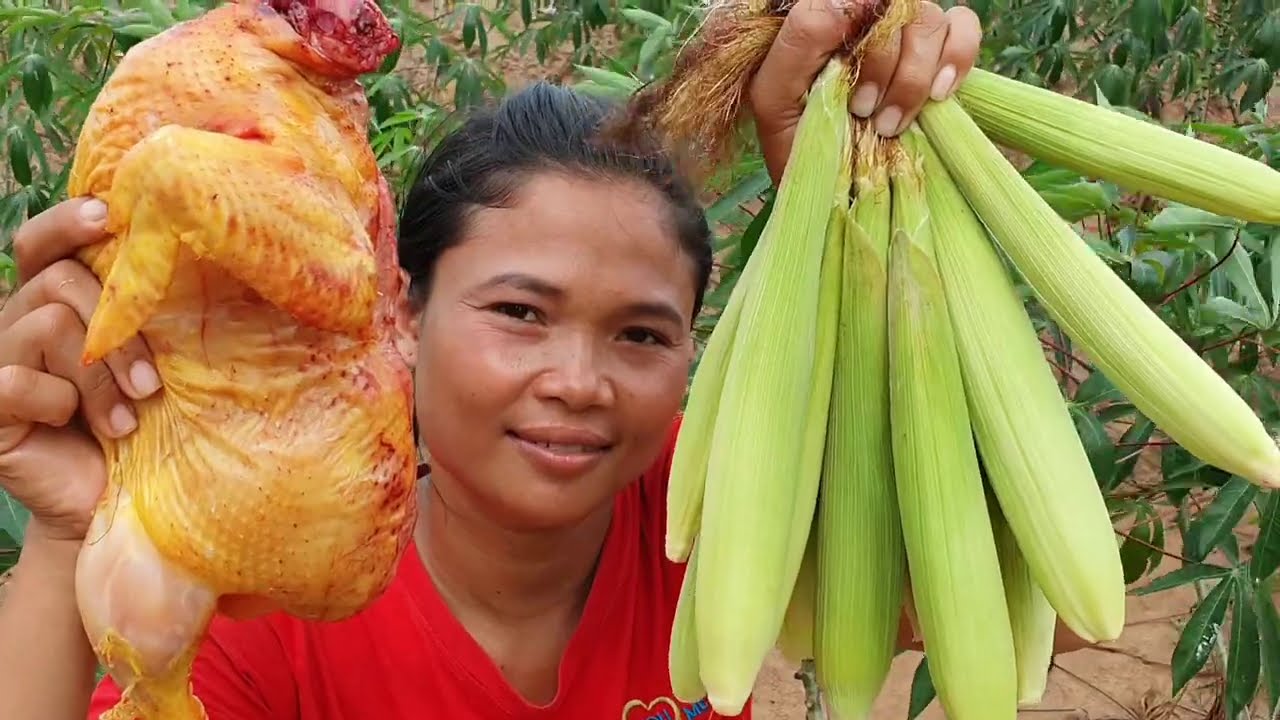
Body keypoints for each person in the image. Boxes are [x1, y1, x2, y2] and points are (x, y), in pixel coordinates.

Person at [0, 3, 1072, 718]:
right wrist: (64, 539)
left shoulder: (705, 510)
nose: (577, 381)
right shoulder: (269, 598)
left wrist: (852, 229)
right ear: (400, 316)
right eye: (520, 311)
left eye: (642, 334)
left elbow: (1047, 610)